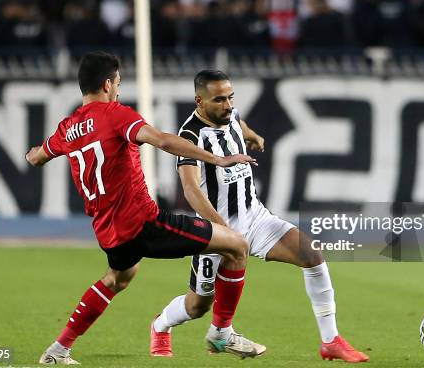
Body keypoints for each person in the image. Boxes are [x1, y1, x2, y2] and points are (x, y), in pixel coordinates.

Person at [26, 52, 257, 365]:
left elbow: (39, 155)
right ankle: (222, 332)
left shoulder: (67, 128)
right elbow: (161, 140)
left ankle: (58, 349)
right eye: (118, 83)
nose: (119, 89)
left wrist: (32, 156)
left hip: (109, 231)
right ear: (107, 84)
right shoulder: (116, 114)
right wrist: (216, 158)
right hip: (144, 222)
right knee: (237, 245)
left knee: (116, 279)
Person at [150, 70, 370, 363]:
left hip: (254, 217)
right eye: (219, 99)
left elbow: (238, 122)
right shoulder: (190, 136)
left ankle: (330, 341)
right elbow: (190, 190)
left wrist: (253, 135)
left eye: (230, 97)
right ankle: (160, 325)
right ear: (199, 101)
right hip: (216, 227)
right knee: (197, 305)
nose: (227, 104)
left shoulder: (230, 114)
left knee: (312, 256)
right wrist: (220, 227)